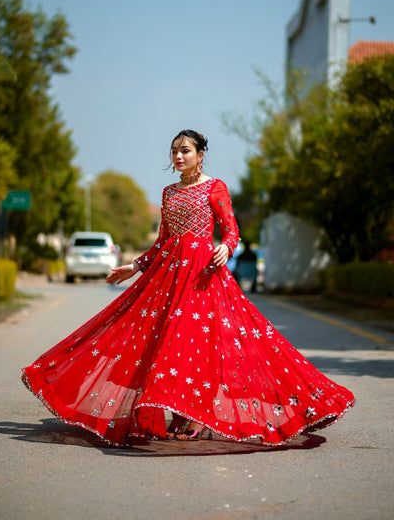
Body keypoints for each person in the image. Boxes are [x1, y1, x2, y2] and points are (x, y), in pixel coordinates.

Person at [22, 130, 355, 445]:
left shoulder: (215, 188)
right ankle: (178, 412)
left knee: (199, 343)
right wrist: (134, 267)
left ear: (200, 155)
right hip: (167, 277)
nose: (178, 156)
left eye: (185, 151)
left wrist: (226, 247)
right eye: (174, 151)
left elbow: (231, 230)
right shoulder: (169, 192)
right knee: (163, 345)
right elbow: (162, 241)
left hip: (202, 275)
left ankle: (195, 418)